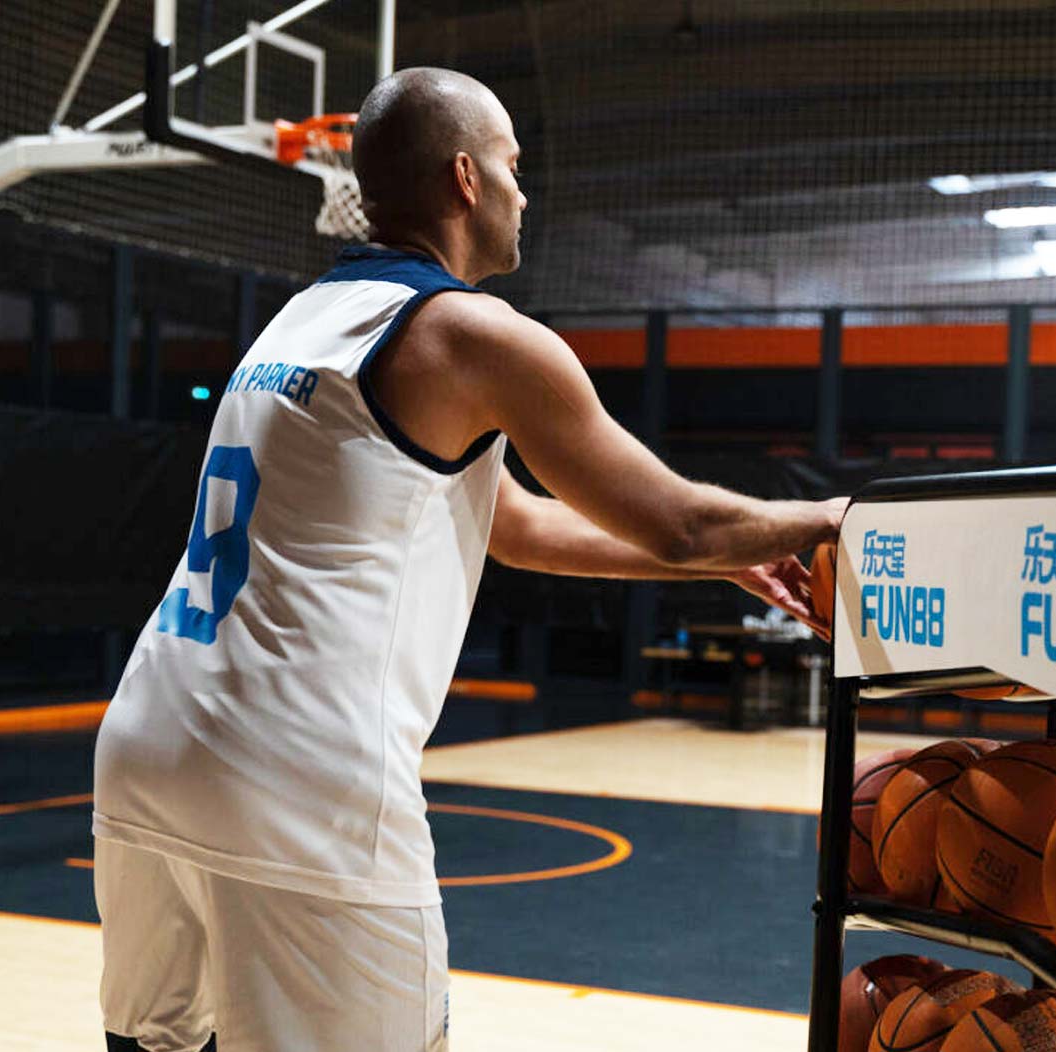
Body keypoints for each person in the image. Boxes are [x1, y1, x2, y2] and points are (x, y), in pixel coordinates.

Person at [92, 67, 848, 1052]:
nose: (523, 192)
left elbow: (513, 524)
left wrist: (718, 563)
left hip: (150, 740)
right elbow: (681, 522)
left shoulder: (304, 318)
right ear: (464, 178)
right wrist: (825, 517)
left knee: (155, 1044)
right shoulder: (473, 334)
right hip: (301, 778)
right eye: (512, 165)